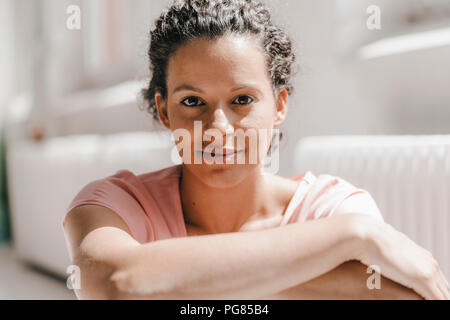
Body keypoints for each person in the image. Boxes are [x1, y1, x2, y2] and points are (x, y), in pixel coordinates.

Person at [61, 0, 449, 300]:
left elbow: (395, 296)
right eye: (192, 101)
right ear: (164, 110)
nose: (217, 130)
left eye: (242, 99)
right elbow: (116, 283)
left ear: (279, 105)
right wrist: (354, 236)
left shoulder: (331, 207)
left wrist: (171, 281)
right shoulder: (112, 205)